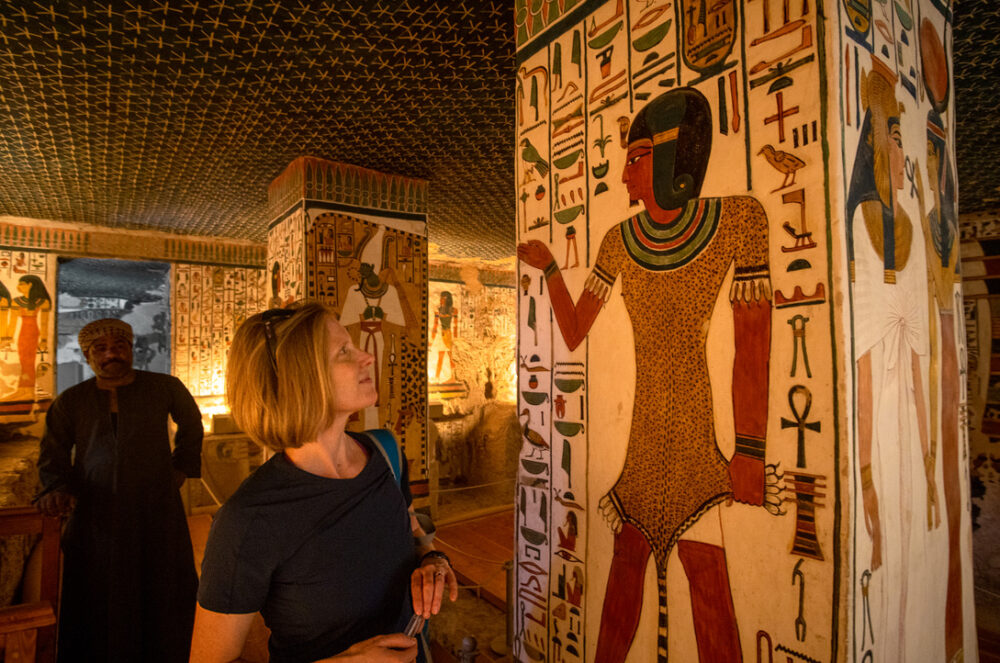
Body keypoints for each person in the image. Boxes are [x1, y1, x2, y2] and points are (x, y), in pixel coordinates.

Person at [518, 87, 773, 662]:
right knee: (625, 575)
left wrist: (750, 450)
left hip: (696, 446)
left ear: (674, 160)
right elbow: (576, 330)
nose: (624, 178)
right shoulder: (620, 241)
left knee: (708, 580)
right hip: (643, 442)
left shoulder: (737, 220)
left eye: (635, 159)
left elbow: (752, 342)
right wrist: (553, 268)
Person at [191, 302, 458, 663]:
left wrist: (433, 561)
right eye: (343, 352)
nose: (366, 357)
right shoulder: (249, 520)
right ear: (301, 379)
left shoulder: (385, 452)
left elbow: (414, 535)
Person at [36, 318, 203, 662]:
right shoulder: (71, 401)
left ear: (131, 349)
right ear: (87, 356)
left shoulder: (165, 387)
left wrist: (182, 466)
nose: (111, 353)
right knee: (100, 590)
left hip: (155, 508)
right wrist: (57, 487)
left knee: (163, 582)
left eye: (120, 346)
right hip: (96, 514)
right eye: (101, 348)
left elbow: (191, 421)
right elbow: (53, 451)